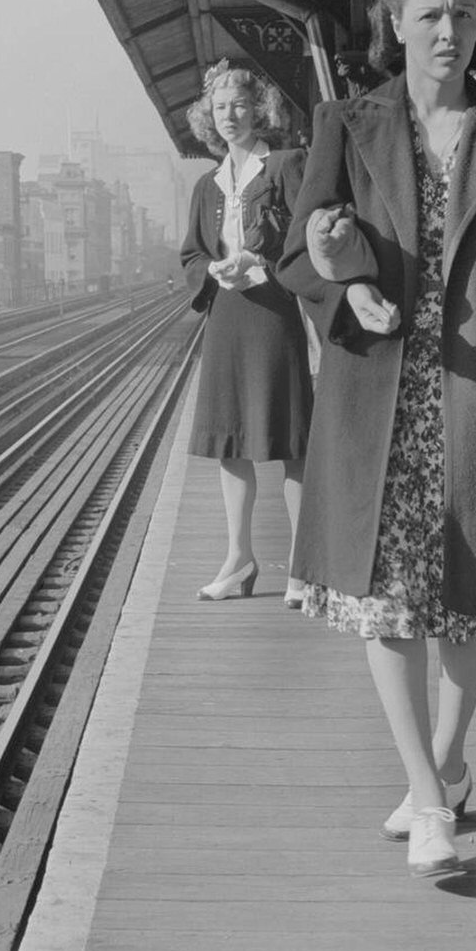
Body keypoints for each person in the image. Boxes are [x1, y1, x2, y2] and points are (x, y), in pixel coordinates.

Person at [277, 0, 476, 880]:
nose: (452, 31)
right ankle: (433, 801)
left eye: (469, 16)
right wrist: (343, 293)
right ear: (395, 25)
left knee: (470, 605)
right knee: (389, 603)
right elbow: (301, 250)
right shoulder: (345, 122)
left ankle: (440, 766)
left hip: (475, 392)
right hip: (379, 397)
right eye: (433, 14)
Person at [181, 59, 313, 605]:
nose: (229, 115)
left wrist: (261, 260)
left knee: (288, 443)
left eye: (239, 104)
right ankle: (238, 560)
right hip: (227, 319)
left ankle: (305, 570)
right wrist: (211, 272)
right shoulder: (206, 185)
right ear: (208, 118)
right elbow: (191, 253)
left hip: (273, 312)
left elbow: (307, 237)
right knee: (230, 443)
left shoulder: (285, 166)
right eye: (219, 108)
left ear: (259, 109)